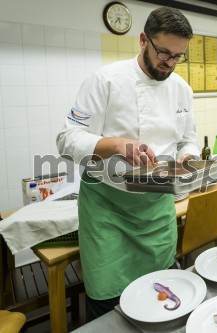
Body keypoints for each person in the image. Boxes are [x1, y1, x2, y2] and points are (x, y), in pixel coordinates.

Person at [56, 7, 199, 320]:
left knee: (161, 290)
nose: (170, 63)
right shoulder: (105, 80)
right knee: (108, 299)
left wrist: (187, 157)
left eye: (178, 56)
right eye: (163, 52)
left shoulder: (181, 90)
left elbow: (189, 139)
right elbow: (66, 140)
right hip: (108, 209)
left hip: (158, 206)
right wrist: (115, 144)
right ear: (143, 40)